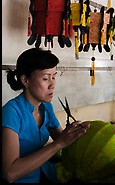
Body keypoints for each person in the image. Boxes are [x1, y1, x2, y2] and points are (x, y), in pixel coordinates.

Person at [2, 48, 90, 183]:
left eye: (54, 77)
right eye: (45, 78)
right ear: (25, 80)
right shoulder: (11, 112)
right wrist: (58, 144)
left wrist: (78, 134)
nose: (52, 85)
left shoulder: (46, 107)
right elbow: (10, 173)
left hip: (40, 177)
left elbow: (62, 139)